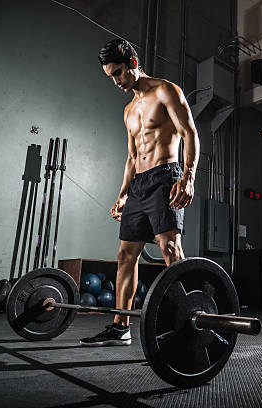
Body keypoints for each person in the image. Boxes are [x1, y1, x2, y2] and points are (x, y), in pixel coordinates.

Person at [80, 39, 200, 346]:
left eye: (119, 73)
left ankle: (188, 317)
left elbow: (189, 134)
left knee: (169, 248)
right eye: (112, 77)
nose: (117, 81)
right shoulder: (128, 110)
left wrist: (188, 177)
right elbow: (132, 157)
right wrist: (122, 194)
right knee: (125, 255)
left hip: (165, 175)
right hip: (139, 184)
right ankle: (120, 327)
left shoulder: (165, 90)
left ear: (133, 63)